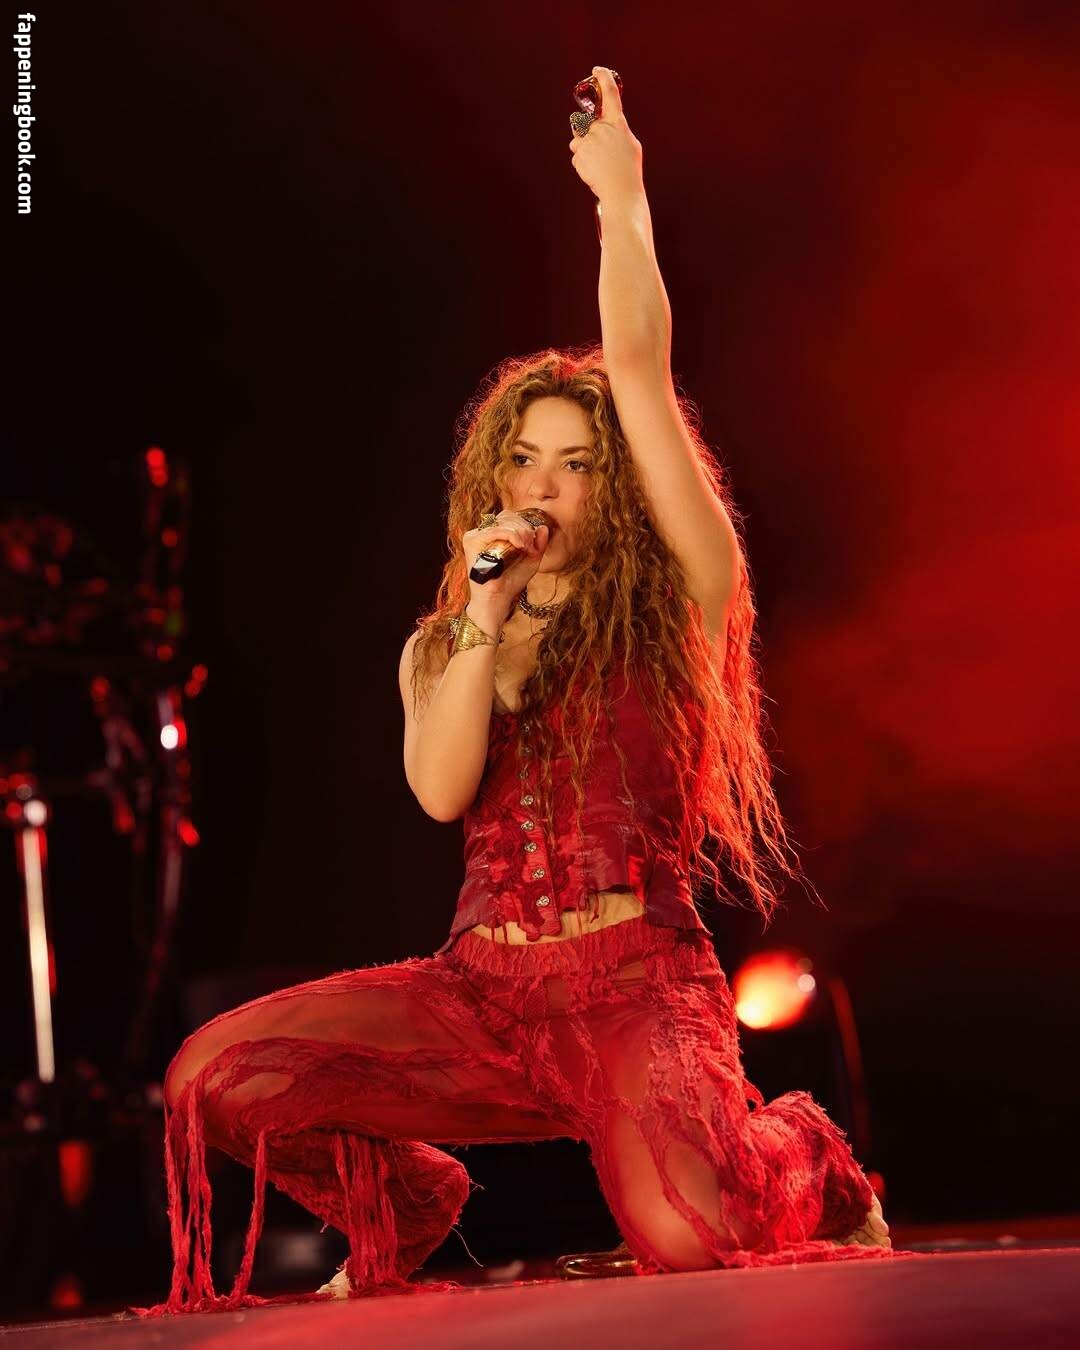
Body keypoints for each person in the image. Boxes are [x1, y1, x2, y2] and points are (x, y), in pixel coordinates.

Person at [132, 65, 895, 1319]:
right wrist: (480, 617)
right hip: (481, 997)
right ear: (494, 476)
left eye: (578, 465)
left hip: (639, 992)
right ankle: (407, 1205)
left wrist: (620, 198)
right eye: (526, 460)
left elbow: (638, 369)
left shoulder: (683, 598)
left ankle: (801, 1154)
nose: (545, 486)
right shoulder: (447, 639)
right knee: (211, 1075)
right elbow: (442, 793)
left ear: (617, 486)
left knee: (690, 1240)